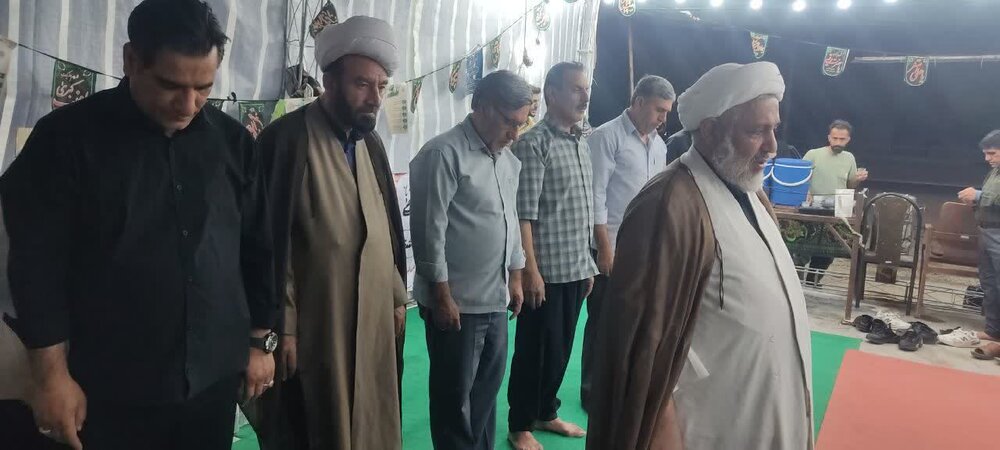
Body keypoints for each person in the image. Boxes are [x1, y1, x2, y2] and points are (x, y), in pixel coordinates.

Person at [0, 1, 278, 448]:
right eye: (171, 85)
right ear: (131, 60)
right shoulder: (65, 141)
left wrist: (260, 341)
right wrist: (51, 378)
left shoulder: (232, 143)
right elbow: (35, 267)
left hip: (211, 383)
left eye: (203, 87)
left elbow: (258, 246)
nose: (188, 104)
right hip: (106, 389)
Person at [587, 62, 813, 450]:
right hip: (706, 430)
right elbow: (641, 345)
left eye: (774, 129)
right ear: (710, 130)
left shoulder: (751, 192)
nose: (772, 146)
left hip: (760, 416)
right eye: (756, 131)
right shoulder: (668, 204)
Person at [248, 15, 408, 450]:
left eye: (381, 86)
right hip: (318, 322)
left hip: (373, 312)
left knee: (373, 413)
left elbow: (384, 229)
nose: (374, 98)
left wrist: (396, 296)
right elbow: (269, 245)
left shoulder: (370, 143)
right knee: (316, 421)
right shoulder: (286, 141)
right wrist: (284, 329)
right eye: (362, 84)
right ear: (329, 81)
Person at [409, 70, 531, 450]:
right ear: (482, 106)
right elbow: (428, 232)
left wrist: (516, 276)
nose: (515, 134)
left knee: (485, 396)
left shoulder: (507, 161)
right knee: (454, 400)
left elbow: (510, 219)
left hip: (495, 299)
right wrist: (442, 296)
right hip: (457, 304)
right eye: (510, 122)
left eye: (521, 124)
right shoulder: (443, 154)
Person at [507, 61, 598, 450]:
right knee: (534, 351)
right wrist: (530, 271)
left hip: (576, 267)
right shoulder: (534, 144)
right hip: (545, 273)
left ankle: (546, 411)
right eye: (576, 88)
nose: (585, 96)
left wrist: (588, 263)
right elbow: (524, 215)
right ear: (552, 94)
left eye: (586, 88)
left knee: (560, 351)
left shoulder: (580, 142)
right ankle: (519, 424)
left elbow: (583, 210)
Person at [580, 74, 675, 409]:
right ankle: (592, 391)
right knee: (603, 321)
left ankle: (623, 385)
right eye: (659, 109)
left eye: (667, 112)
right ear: (638, 102)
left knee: (635, 320)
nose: (663, 118)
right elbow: (595, 196)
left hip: (645, 248)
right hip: (611, 245)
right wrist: (604, 247)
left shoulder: (660, 146)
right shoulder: (606, 137)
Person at [799, 120, 869, 285]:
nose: (838, 142)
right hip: (812, 207)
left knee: (828, 252)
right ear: (829, 137)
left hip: (837, 208)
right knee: (802, 248)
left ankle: (813, 282)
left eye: (842, 139)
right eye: (835, 138)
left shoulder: (849, 158)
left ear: (848, 140)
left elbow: (850, 185)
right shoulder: (813, 154)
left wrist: (858, 179)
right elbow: (800, 176)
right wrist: (806, 191)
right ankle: (796, 282)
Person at [958, 130, 1000, 359]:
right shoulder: (994, 172)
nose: (987, 158)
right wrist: (975, 200)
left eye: (992, 153)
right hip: (987, 230)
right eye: (985, 153)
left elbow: (991, 196)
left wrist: (978, 196)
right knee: (990, 283)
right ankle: (993, 331)